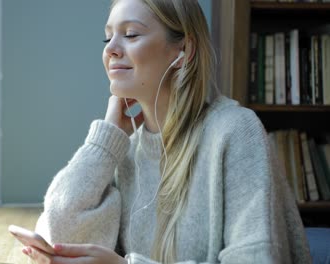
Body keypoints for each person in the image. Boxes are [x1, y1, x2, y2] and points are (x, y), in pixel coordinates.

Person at [19, 0, 311, 263]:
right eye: (108, 36)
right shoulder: (126, 152)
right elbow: (61, 233)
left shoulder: (235, 131)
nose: (110, 49)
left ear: (184, 50)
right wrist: (106, 138)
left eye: (131, 34)